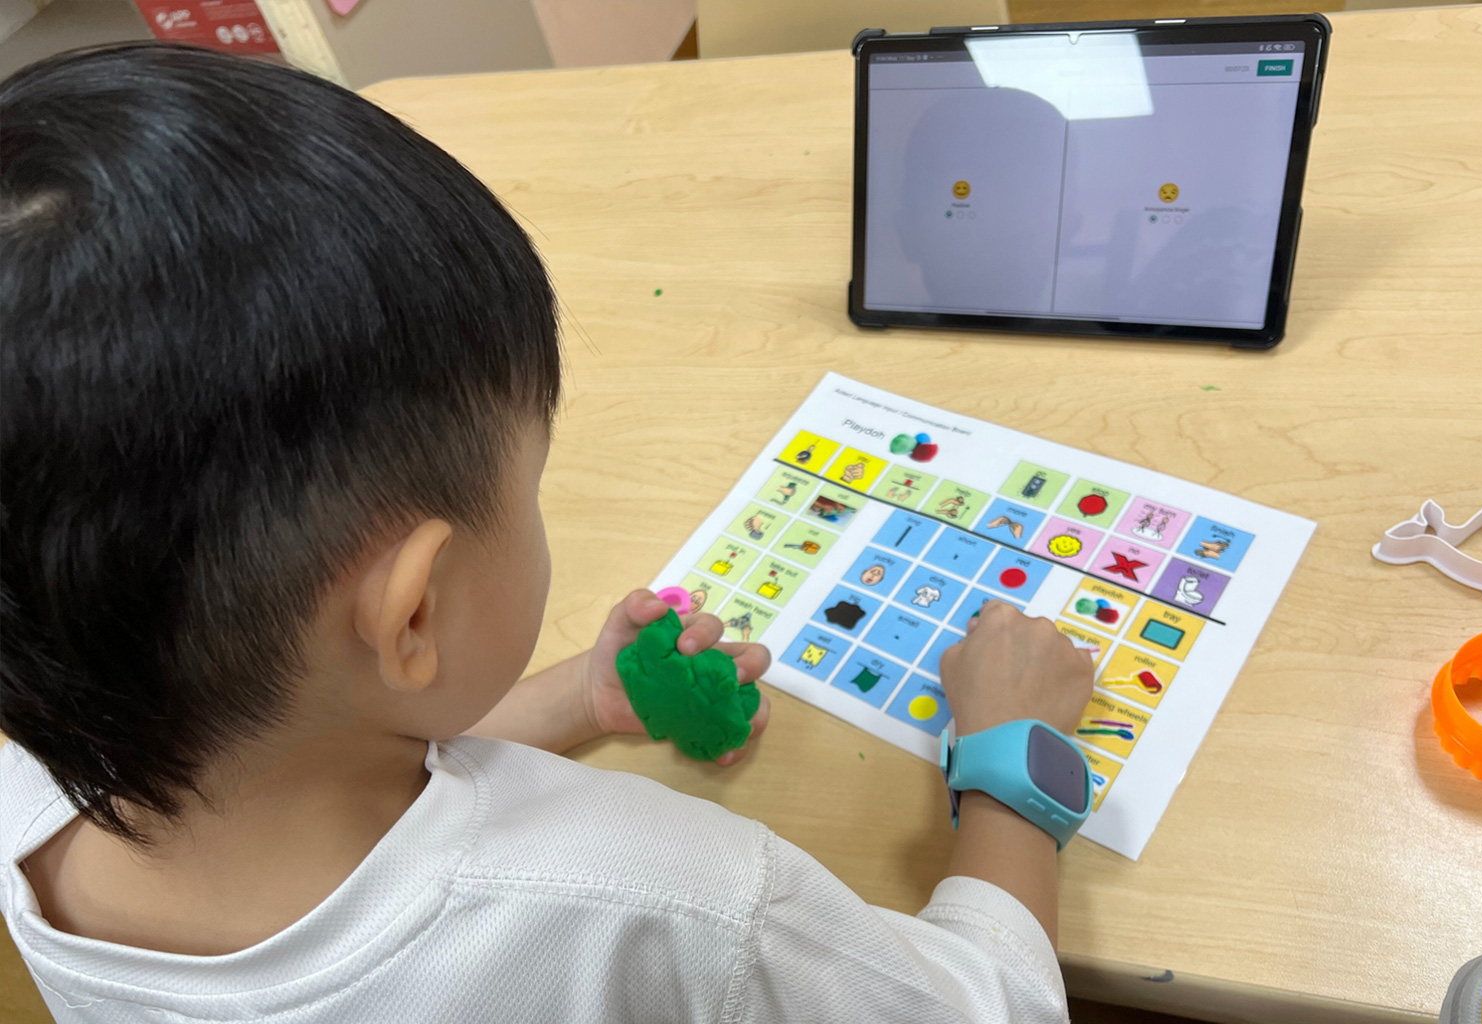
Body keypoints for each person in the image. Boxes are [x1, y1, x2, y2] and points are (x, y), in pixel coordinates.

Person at [0, 43, 1095, 1023]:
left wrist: (576, 697)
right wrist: (1011, 764)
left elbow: (361, 817)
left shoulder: (34, 779)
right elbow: (986, 1006)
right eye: (531, 481)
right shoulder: (679, 900)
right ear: (415, 610)